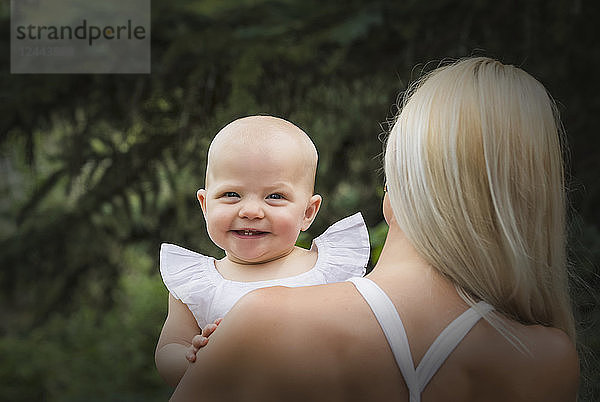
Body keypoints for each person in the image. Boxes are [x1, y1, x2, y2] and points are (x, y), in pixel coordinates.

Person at [169, 57, 579, 401]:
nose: (251, 211)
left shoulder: (264, 319)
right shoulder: (547, 359)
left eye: (275, 197)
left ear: (394, 186)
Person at [155, 115, 370, 387]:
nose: (251, 211)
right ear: (205, 205)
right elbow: (168, 349)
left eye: (275, 197)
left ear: (307, 212)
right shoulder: (198, 284)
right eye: (231, 194)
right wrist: (190, 359)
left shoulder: (329, 271)